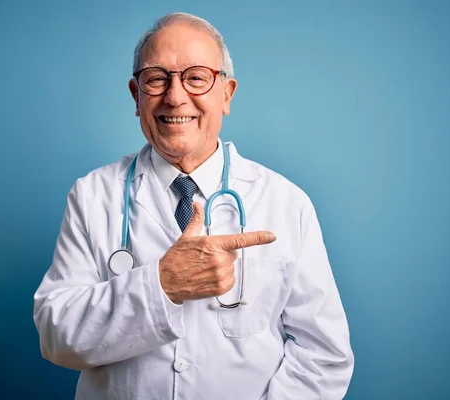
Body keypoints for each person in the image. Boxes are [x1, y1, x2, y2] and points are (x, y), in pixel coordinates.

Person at [33, 11, 354, 400]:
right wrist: (163, 283)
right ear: (136, 96)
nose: (175, 96)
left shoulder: (285, 202)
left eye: (196, 77)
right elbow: (57, 337)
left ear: (227, 94)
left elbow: (324, 355)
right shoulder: (93, 195)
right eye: (156, 79)